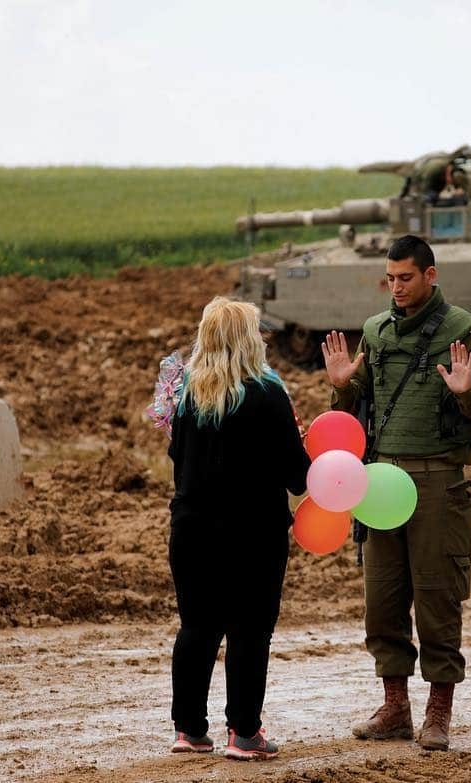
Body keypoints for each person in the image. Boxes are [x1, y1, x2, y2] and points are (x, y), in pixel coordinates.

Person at [322, 235, 471, 751]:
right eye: (390, 278)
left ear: (431, 276)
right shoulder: (376, 332)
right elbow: (351, 408)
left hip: (437, 482)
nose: (397, 287)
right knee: (382, 600)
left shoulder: (465, 333)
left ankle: (438, 712)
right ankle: (395, 707)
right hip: (380, 482)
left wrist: (467, 393)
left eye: (406, 277)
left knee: (437, 597)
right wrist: (342, 385)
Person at [166, 297, 310, 760]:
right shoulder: (269, 394)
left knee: (197, 629)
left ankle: (189, 731)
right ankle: (244, 734)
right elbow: (298, 477)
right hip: (253, 533)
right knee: (250, 632)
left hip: (190, 529)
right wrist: (299, 442)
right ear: (249, 341)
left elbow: (178, 462)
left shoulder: (186, 396)